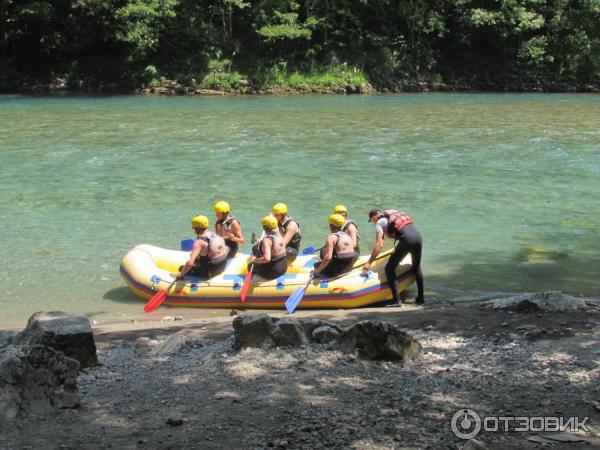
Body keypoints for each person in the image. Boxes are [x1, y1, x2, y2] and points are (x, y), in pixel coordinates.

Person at [363, 208, 424, 306]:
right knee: (416, 267)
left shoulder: (380, 222)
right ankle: (421, 298)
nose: (373, 223)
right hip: (418, 237)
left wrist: (369, 262)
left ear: (374, 216)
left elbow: (379, 245)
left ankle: (397, 301)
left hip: (406, 240)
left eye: (372, 221)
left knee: (389, 269)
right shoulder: (392, 214)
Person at [177, 215, 230, 279]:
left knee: (181, 268)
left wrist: (180, 275)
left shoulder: (198, 243)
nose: (193, 229)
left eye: (194, 227)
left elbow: (190, 263)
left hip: (211, 272)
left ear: (198, 228)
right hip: (222, 266)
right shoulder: (214, 234)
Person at [313, 214, 359, 278]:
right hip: (349, 268)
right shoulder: (347, 235)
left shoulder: (332, 237)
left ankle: (320, 278)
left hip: (337, 271)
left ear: (331, 225)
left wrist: (317, 270)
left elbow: (328, 257)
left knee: (316, 265)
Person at [248, 215, 288, 280]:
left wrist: (255, 260)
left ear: (265, 228)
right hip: (283, 268)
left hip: (273, 271)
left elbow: (267, 259)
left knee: (250, 265)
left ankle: (253, 282)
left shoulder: (267, 240)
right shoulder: (280, 235)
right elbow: (275, 246)